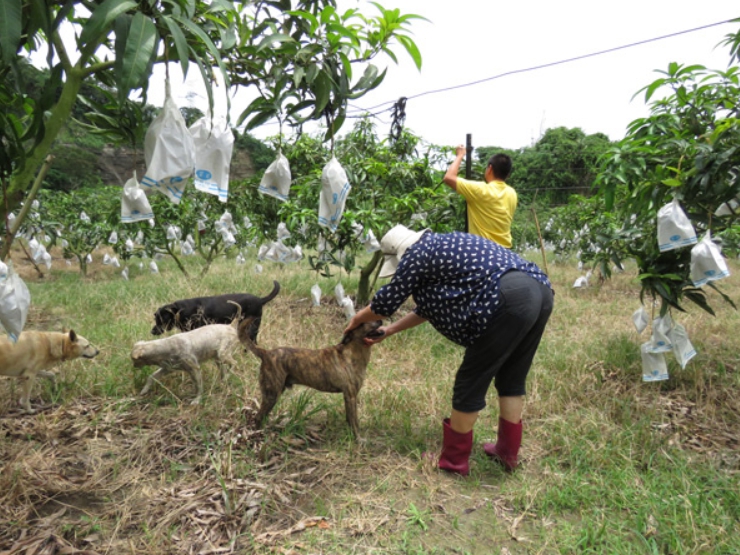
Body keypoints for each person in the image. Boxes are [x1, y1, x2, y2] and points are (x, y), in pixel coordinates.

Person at [345, 224, 553, 476]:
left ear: (400, 253)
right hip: (539, 291)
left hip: (508, 297)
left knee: (470, 380)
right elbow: (427, 308)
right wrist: (390, 331)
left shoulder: (417, 253)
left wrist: (357, 319)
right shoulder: (445, 246)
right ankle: (507, 453)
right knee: (512, 376)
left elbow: (384, 304)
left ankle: (454, 461)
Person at [443, 145, 516, 248]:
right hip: (505, 251)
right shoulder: (512, 193)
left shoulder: (480, 190)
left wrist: (460, 155)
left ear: (490, 168)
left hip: (484, 251)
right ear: (507, 174)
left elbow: (448, 177)